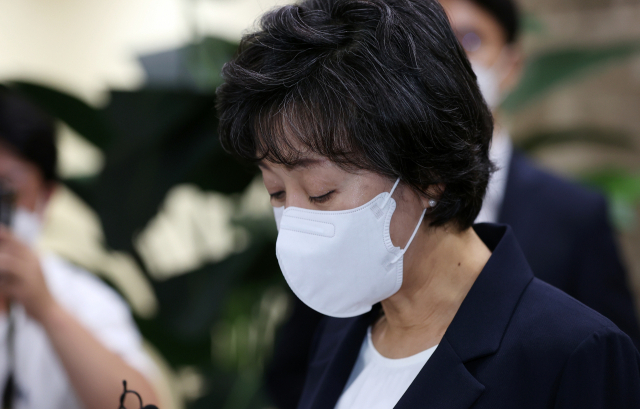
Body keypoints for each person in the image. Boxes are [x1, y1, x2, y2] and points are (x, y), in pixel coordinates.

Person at [216, 0, 640, 407]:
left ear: (428, 170)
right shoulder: (342, 332)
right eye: (276, 192)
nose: (296, 219)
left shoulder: (569, 353)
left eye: (320, 192)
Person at [0, 87, 158, 409]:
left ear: (46, 197)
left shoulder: (83, 300)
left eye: (6, 188)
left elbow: (143, 404)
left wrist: (46, 310)